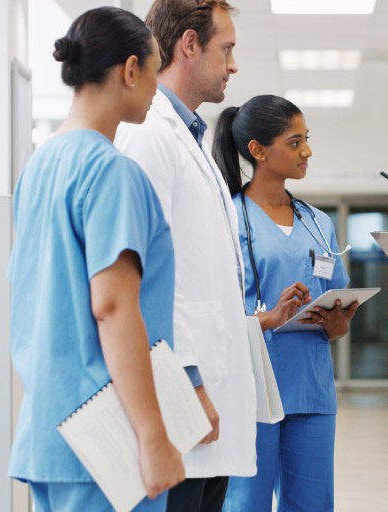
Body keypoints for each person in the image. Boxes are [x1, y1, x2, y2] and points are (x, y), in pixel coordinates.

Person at [7, 6, 184, 511]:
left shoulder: (39, 168)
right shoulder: (111, 172)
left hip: (51, 427)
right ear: (130, 70)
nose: (156, 90)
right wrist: (153, 438)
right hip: (109, 437)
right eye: (153, 72)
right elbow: (113, 308)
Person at [114, 1, 257, 511]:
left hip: (207, 406)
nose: (234, 64)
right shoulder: (148, 136)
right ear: (189, 45)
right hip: (181, 401)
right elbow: (144, 279)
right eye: (227, 48)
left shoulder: (191, 139)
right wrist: (187, 384)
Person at [212, 94, 359, 512]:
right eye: (294, 143)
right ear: (258, 150)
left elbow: (336, 301)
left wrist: (338, 322)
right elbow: (214, 309)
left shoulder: (318, 222)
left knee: (312, 503)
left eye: (306, 139)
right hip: (255, 383)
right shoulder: (229, 217)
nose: (307, 151)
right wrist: (267, 317)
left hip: (311, 388)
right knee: (246, 503)